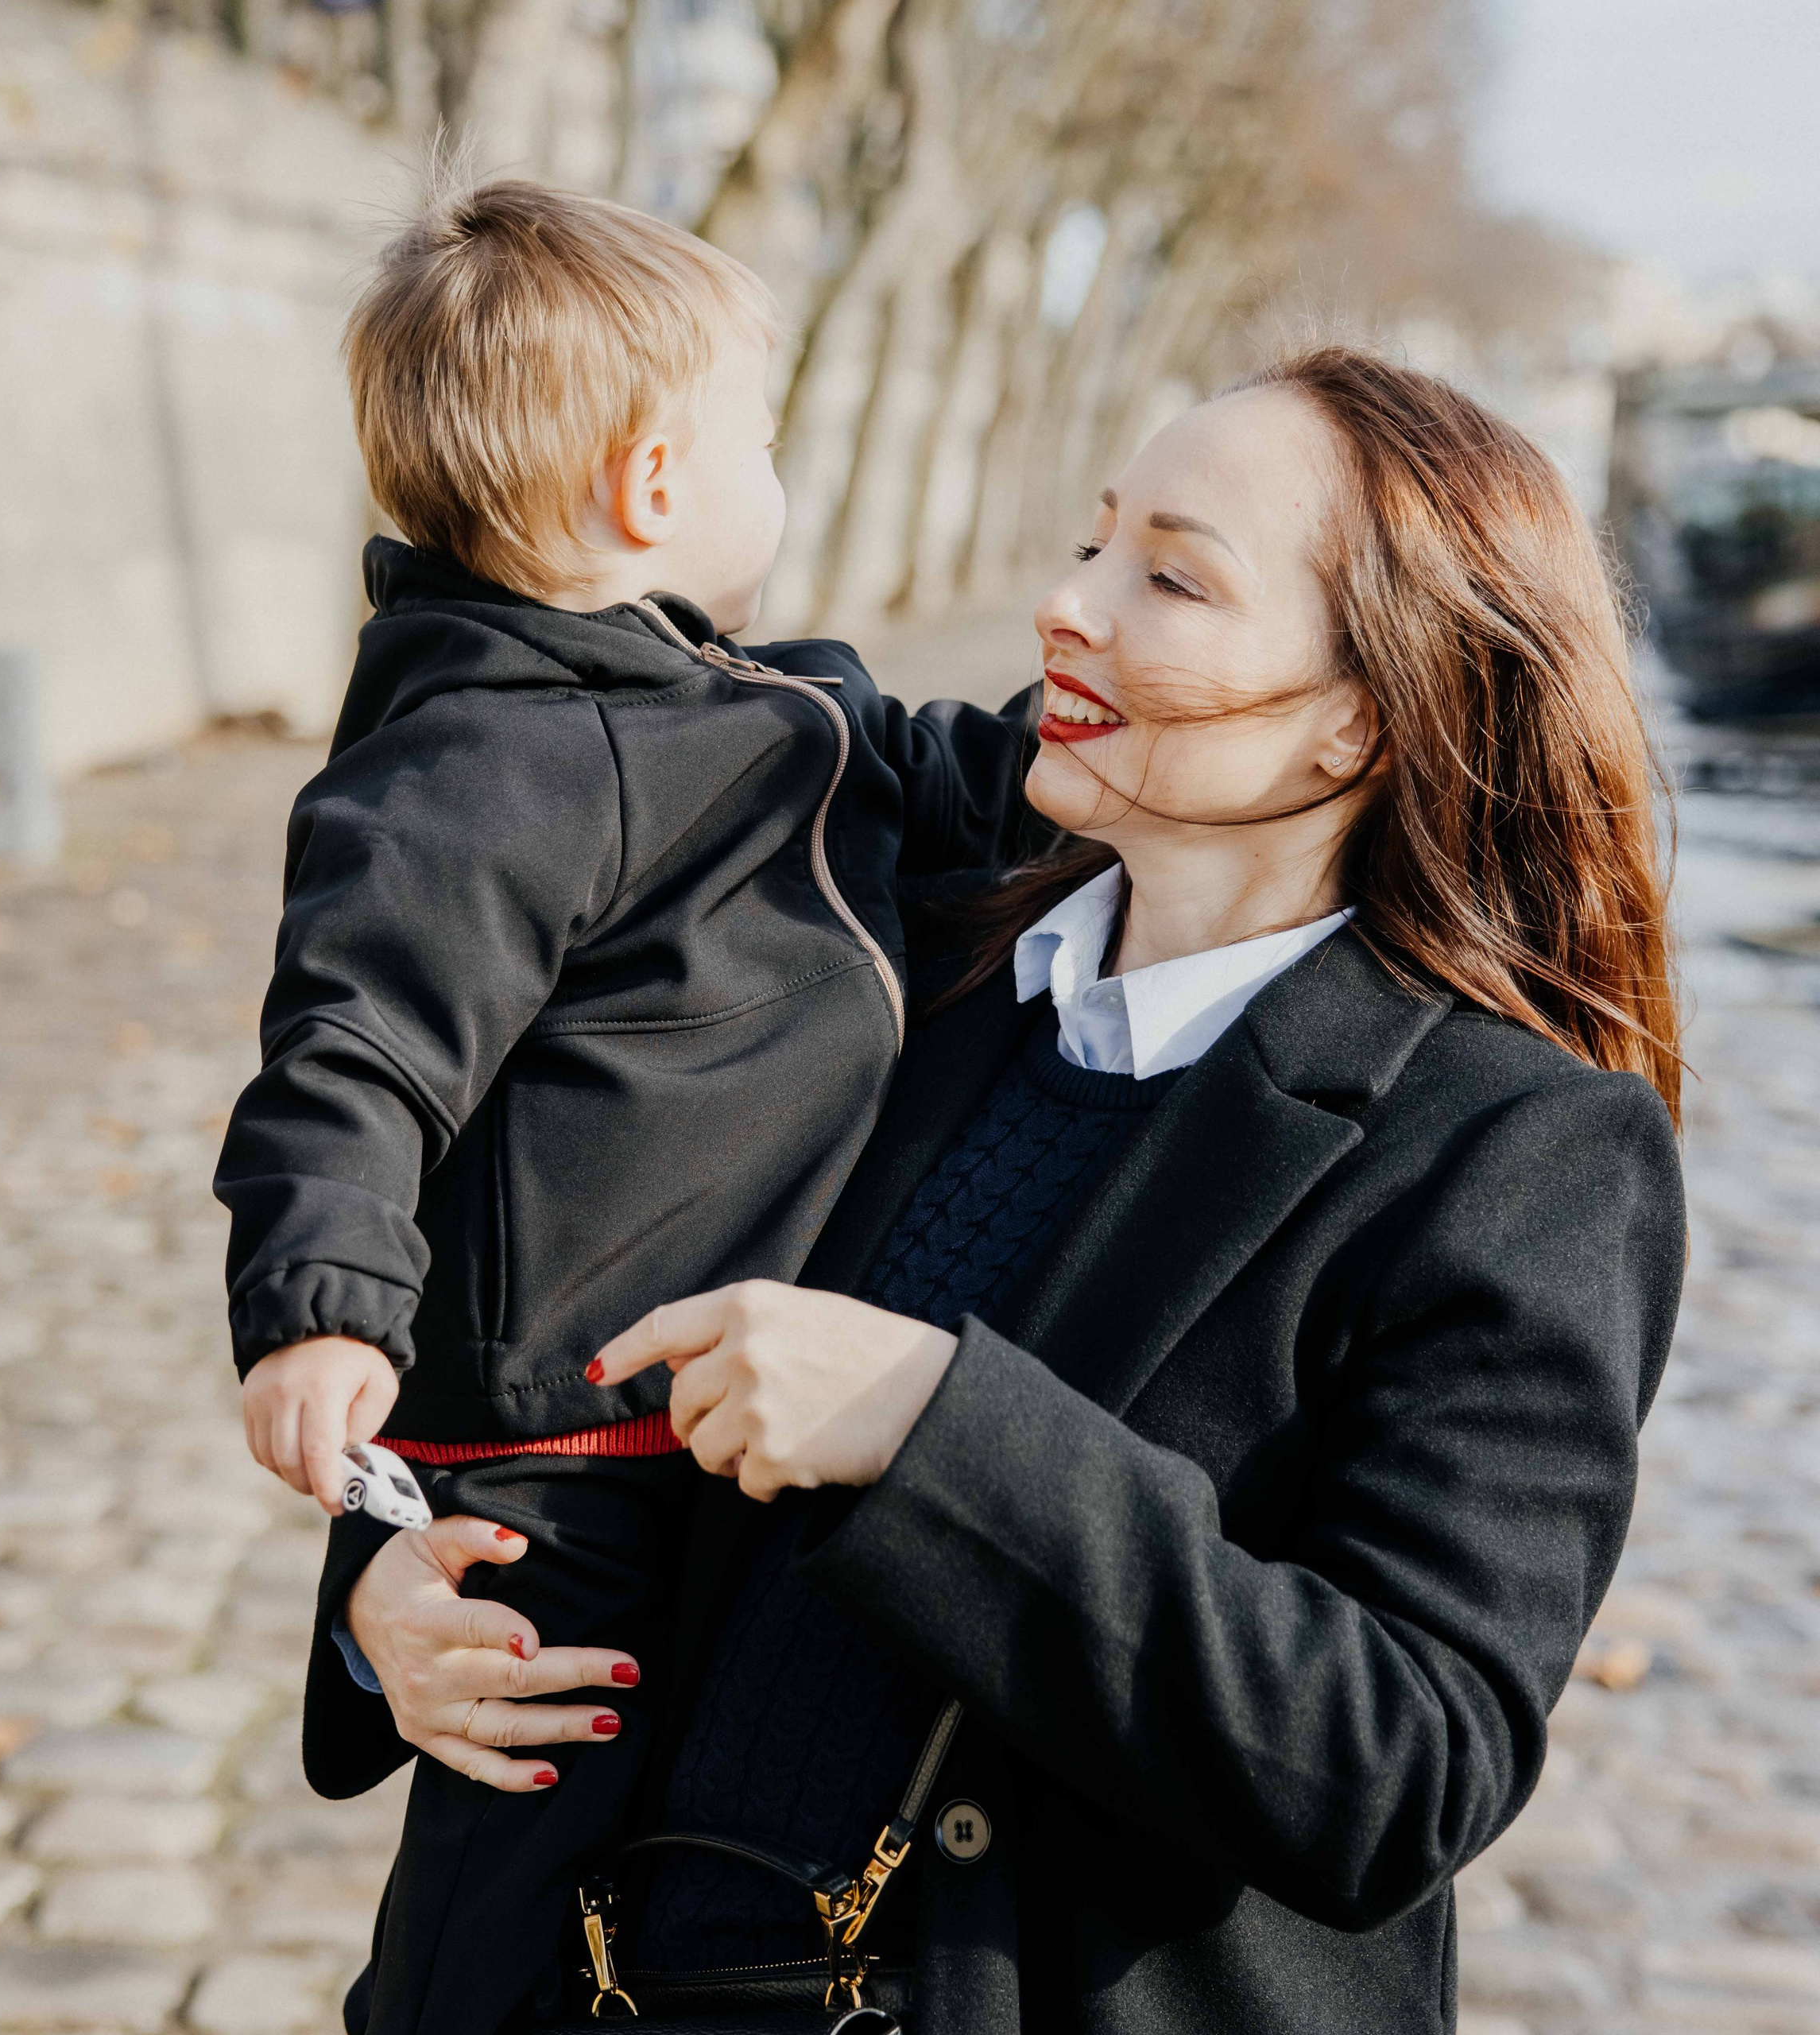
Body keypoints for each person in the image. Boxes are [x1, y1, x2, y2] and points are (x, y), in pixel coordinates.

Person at [321, 347, 1688, 2035]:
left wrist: (928, 1427)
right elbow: (545, 1253)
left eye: (1169, 577)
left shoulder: (1515, 1146)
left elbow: (1396, 1764)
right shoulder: (883, 943)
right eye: (1090, 542)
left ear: (1369, 707)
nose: (1066, 603)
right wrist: (394, 1582)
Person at [214, 176, 1031, 2035]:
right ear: (653, 484)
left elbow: (960, 778)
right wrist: (317, 1302)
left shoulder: (760, 708)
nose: (777, 471)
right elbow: (352, 1041)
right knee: (512, 1862)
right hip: (567, 1452)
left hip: (722, 1428)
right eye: (761, 436)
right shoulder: (484, 757)